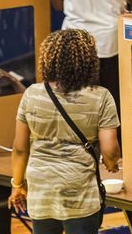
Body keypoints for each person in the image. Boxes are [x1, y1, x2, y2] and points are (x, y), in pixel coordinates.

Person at [8, 29, 121, 234]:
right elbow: (110, 149)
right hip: (79, 191)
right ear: (88, 61)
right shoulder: (100, 97)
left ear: (49, 59)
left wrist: (17, 184)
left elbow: (19, 148)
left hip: (41, 188)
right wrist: (112, 165)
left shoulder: (32, 94)